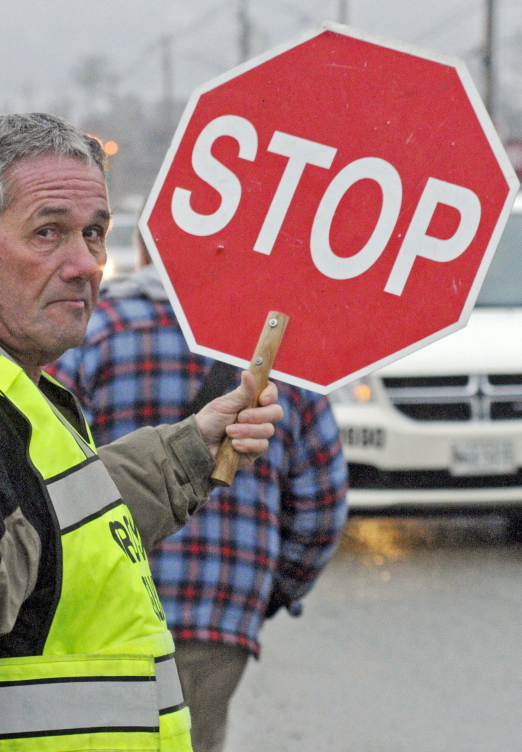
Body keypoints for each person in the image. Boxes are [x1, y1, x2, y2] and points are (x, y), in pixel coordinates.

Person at [0, 113, 283, 752]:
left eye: (94, 234)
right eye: (48, 233)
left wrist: (193, 448)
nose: (85, 265)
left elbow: (45, 525)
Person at [48, 241, 349, 752]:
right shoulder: (274, 346)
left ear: (144, 245)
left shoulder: (93, 332)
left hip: (97, 612)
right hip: (219, 611)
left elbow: (45, 468)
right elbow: (321, 501)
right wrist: (271, 592)